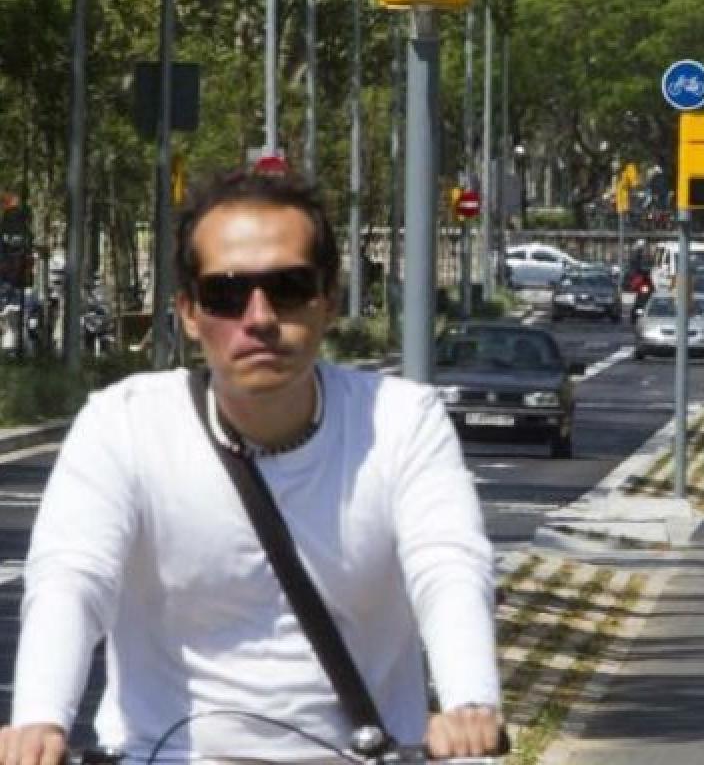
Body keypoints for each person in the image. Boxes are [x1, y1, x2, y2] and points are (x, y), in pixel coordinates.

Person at [0, 171, 503, 765]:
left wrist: (471, 701)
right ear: (188, 311)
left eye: (288, 287)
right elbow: (71, 579)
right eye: (227, 294)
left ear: (329, 300)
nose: (259, 317)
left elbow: (448, 567)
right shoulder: (124, 424)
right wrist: (38, 718)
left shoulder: (401, 420)